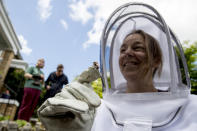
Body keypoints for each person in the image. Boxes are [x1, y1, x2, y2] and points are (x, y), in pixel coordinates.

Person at [38, 3, 197, 131]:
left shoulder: (191, 106)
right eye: (122, 50)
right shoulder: (97, 111)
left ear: (156, 60)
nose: (127, 53)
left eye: (137, 48)